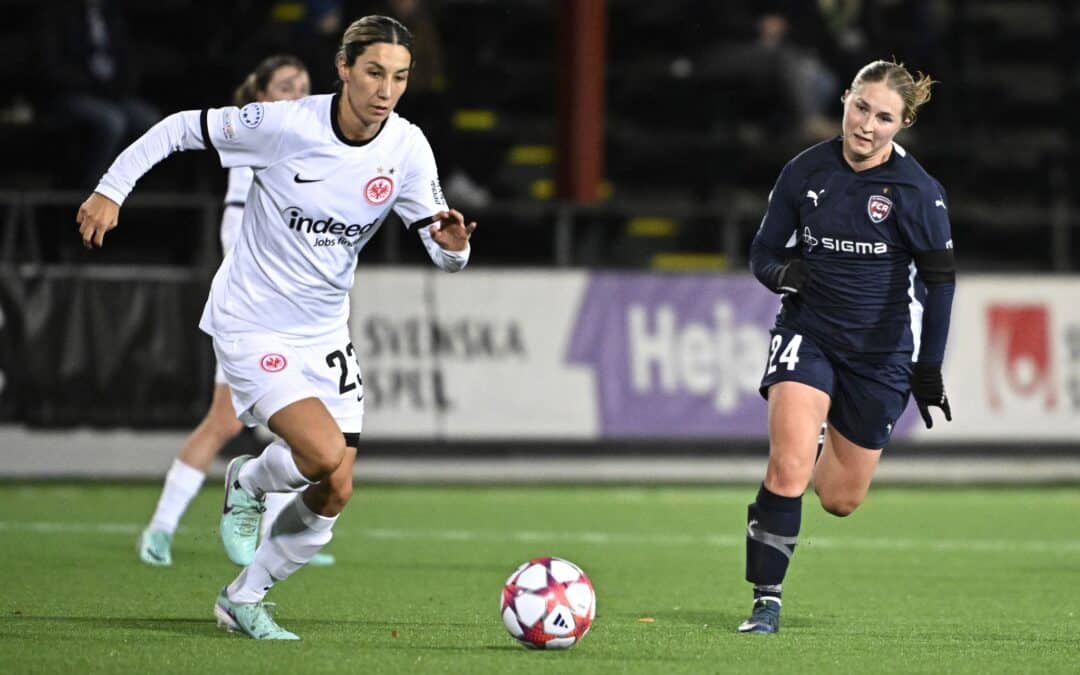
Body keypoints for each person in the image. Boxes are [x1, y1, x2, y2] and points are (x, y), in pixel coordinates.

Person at [76, 15, 476, 640]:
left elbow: (443, 251)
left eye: (399, 77)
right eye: (373, 72)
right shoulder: (286, 125)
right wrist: (111, 190)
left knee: (336, 488)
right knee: (317, 454)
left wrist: (453, 247)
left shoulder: (408, 147)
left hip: (324, 333)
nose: (386, 90)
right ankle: (252, 478)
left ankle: (244, 596)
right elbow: (183, 128)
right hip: (253, 322)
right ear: (343, 68)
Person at [740, 59, 954, 633]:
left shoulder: (918, 193)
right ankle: (766, 599)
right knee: (788, 468)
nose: (866, 124)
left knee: (838, 498)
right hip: (808, 334)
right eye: (860, 107)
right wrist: (783, 276)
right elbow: (762, 252)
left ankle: (800, 463)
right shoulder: (804, 171)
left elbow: (940, 282)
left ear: (902, 123)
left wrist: (927, 369)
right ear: (844, 100)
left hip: (879, 355)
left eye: (883, 116)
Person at [136, 54, 338, 569]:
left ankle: (274, 536)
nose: (298, 94)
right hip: (254, 314)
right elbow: (234, 228)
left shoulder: (308, 145)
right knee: (223, 423)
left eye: (305, 86)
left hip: (292, 317)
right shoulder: (258, 143)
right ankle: (159, 529)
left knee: (288, 428)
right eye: (286, 86)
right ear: (262, 97)